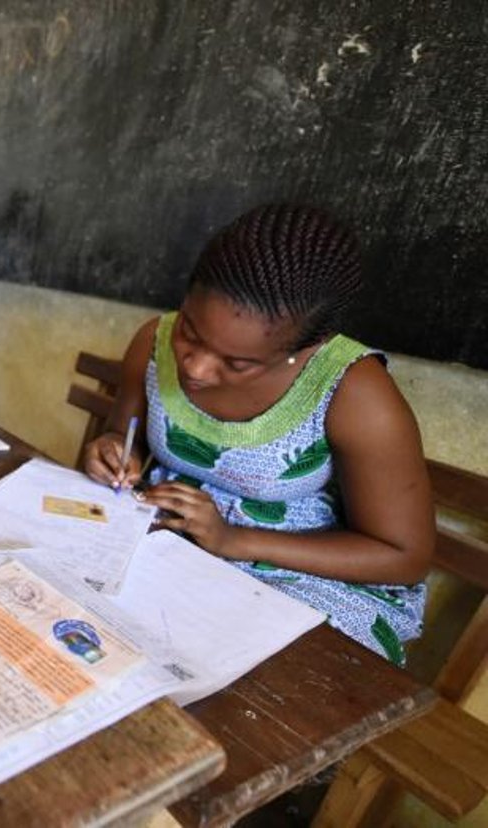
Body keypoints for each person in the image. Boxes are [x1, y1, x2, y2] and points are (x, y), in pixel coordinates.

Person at [82, 204, 434, 664]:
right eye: (189, 330)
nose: (195, 367)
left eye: (237, 363)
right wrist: (110, 450)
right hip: (174, 546)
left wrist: (233, 540)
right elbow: (123, 434)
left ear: (307, 348)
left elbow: (401, 556)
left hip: (301, 575)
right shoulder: (153, 340)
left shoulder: (354, 392)